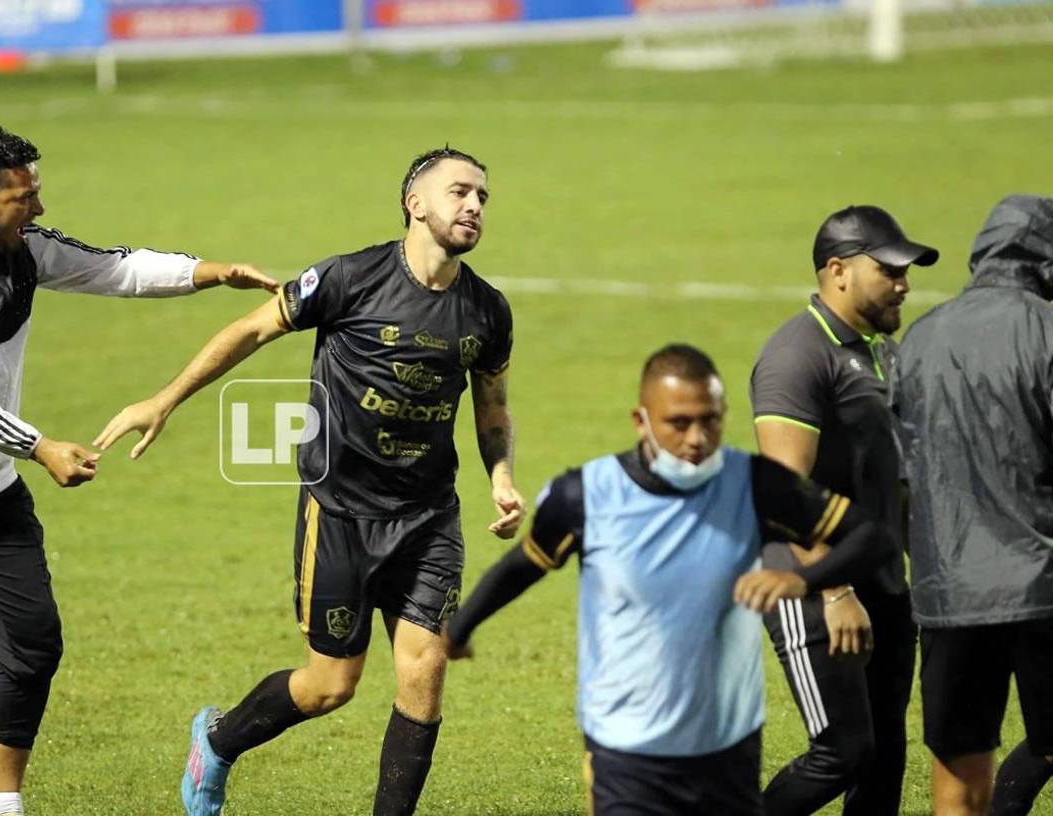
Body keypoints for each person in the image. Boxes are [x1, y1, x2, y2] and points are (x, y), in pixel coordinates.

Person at [0, 126, 278, 816]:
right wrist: (39, 445)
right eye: (25, 197)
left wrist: (210, 272)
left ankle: (2, 803)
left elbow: (115, 268)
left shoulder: (25, 250)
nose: (39, 208)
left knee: (35, 646)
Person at [94, 146, 522, 816]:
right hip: (341, 514)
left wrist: (501, 475)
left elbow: (492, 405)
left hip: (430, 516)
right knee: (331, 685)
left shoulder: (487, 311)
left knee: (425, 670)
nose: (473, 207)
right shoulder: (350, 278)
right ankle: (218, 741)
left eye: (482, 198)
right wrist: (164, 399)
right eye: (460, 192)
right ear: (416, 204)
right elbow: (250, 330)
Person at [441, 343, 892, 816]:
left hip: (728, 745)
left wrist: (805, 580)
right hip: (625, 749)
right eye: (679, 423)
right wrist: (461, 626)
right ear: (642, 421)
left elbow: (871, 538)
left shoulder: (756, 484)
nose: (696, 438)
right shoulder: (586, 496)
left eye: (710, 420)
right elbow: (523, 566)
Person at [749, 205, 937, 815]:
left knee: (884, 758)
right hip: (814, 583)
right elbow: (785, 491)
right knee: (843, 751)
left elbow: (896, 483)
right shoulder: (797, 355)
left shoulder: (882, 352)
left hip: (884, 584)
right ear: (838, 270)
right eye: (889, 270)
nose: (904, 284)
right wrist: (834, 592)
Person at [897, 194, 1053, 816]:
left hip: (948, 594)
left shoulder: (919, 339)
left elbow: (899, 473)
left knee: (959, 779)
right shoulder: (1046, 331)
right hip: (1043, 585)